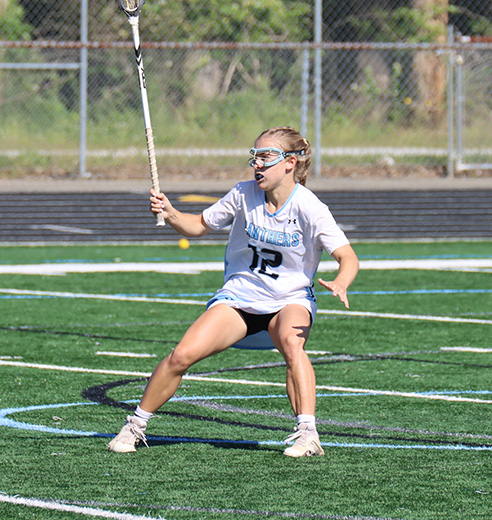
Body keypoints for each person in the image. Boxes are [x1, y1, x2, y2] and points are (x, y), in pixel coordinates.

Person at [107, 126, 359, 458]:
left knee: (291, 344)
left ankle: (308, 434)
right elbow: (196, 225)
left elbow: (348, 257)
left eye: (266, 157)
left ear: (290, 163)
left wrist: (341, 281)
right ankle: (135, 426)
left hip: (289, 300)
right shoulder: (242, 194)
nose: (257, 165)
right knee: (181, 355)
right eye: (255, 157)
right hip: (239, 298)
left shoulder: (310, 207)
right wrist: (169, 213)